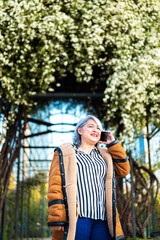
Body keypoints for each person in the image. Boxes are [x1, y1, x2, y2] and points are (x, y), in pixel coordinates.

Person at [48, 115, 130, 240]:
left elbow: (124, 170)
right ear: (79, 130)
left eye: (98, 128)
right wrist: (57, 217)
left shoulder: (106, 155)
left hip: (103, 219)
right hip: (78, 219)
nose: (95, 130)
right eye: (90, 126)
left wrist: (113, 144)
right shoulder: (64, 152)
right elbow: (55, 185)